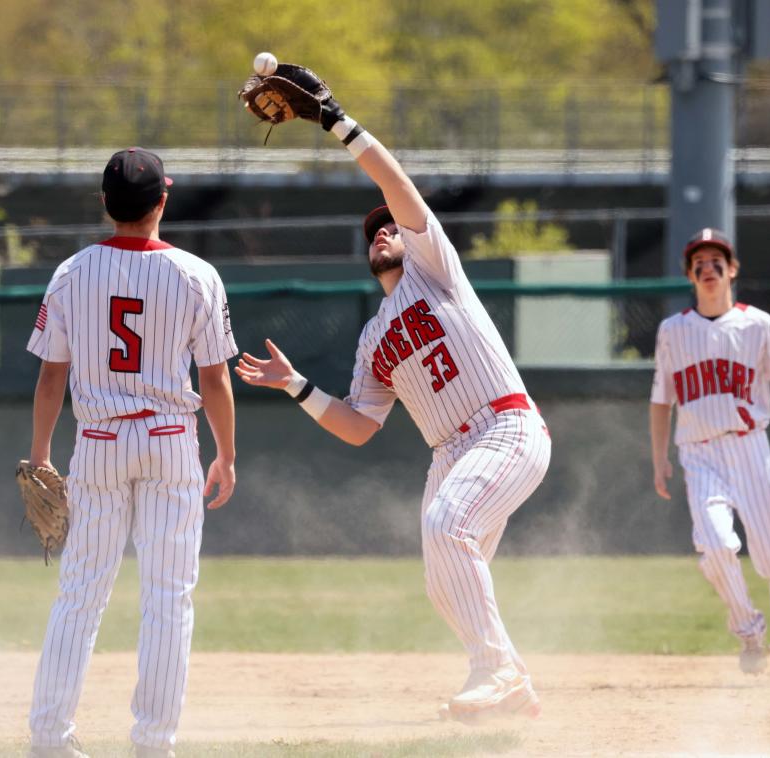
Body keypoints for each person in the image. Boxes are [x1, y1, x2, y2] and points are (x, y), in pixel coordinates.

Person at [234, 68, 551, 721]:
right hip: (449, 454)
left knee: (446, 526)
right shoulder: (374, 337)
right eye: (374, 230)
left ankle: (500, 672)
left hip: (504, 429)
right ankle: (504, 686)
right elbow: (359, 426)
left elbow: (393, 184)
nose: (384, 230)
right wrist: (295, 385)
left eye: (393, 227)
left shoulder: (436, 272)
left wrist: (334, 120)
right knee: (444, 580)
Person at [24, 147, 238, 757]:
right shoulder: (197, 274)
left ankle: (48, 739)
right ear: (161, 201)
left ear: (104, 204)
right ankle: (153, 743)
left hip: (97, 442)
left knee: (80, 594)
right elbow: (215, 379)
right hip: (171, 441)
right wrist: (224, 453)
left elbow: (49, 380)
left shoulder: (70, 272)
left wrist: (41, 456)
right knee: (168, 597)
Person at [650, 227, 770, 687]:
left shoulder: (759, 325)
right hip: (699, 453)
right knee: (715, 545)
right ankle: (749, 631)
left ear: (732, 270)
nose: (708, 269)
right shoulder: (672, 331)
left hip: (750, 450)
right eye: (699, 263)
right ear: (690, 275)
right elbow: (661, 401)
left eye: (717, 261)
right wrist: (659, 458)